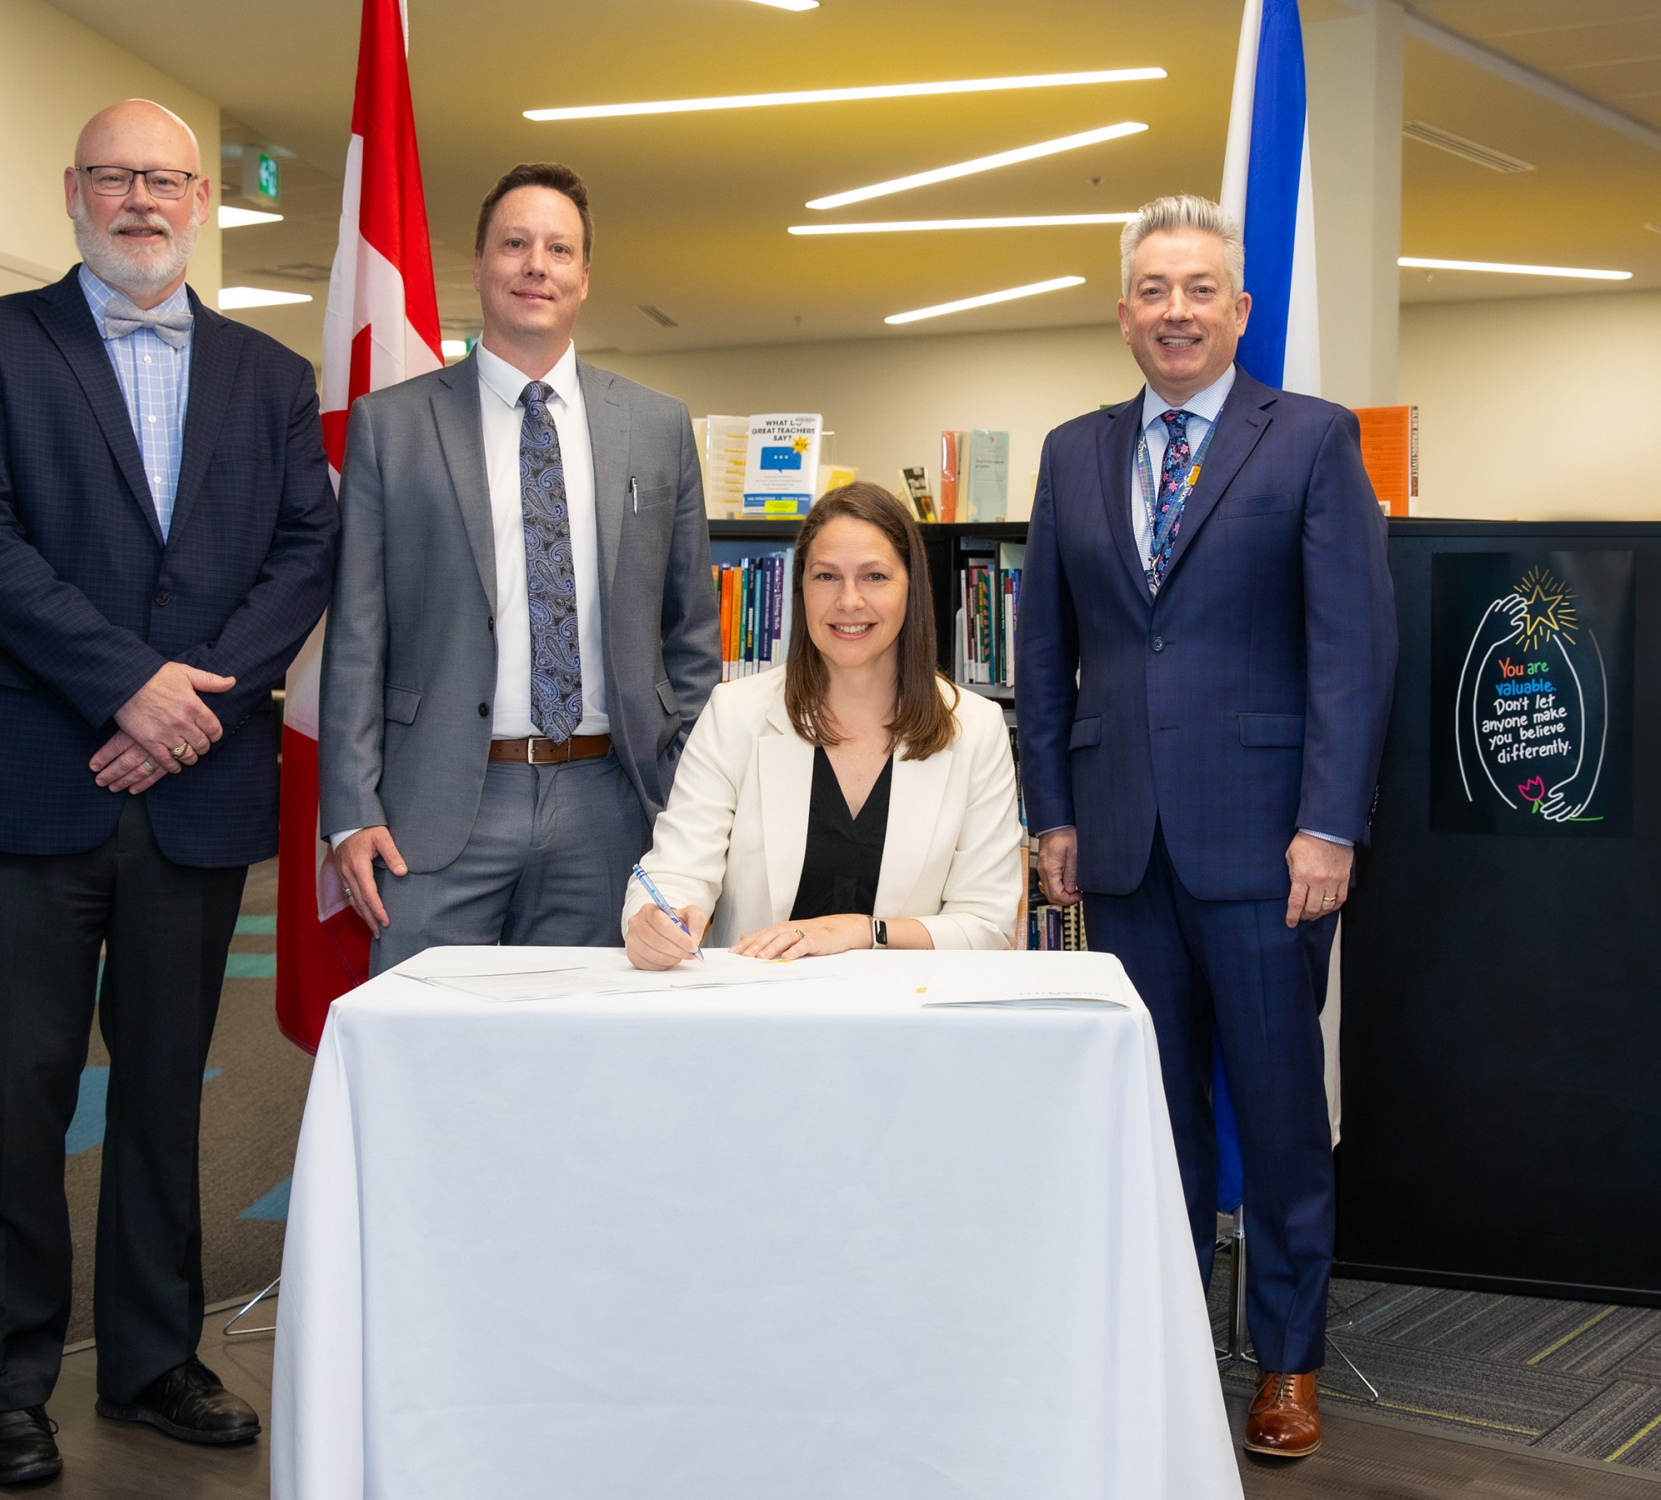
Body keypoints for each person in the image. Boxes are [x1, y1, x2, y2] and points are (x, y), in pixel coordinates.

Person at [0, 99, 337, 1485]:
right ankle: (7, 1382)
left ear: (203, 198)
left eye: (163, 178)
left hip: (194, 788)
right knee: (14, 1094)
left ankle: (152, 1360)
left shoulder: (269, 378)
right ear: (73, 191)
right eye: (114, 177)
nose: (140, 198)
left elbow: (305, 554)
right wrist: (125, 687)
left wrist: (184, 711)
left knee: (166, 1092)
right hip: (27, 787)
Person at [1015, 194, 1396, 1459]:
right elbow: (1044, 650)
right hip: (1117, 844)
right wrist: (1051, 814)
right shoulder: (1071, 453)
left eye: (1198, 291)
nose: (1174, 312)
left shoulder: (1308, 442)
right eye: (1151, 290)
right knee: (1152, 1115)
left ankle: (1286, 1363)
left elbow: (1352, 650)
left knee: (1281, 1116)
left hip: (1267, 850)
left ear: (1239, 311)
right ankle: (1171, 1345)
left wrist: (1328, 826)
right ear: (1121, 311)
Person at [322, 162, 720, 969]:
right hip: (436, 804)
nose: (536, 265)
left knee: (589, 1060)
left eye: (559, 249)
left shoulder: (657, 425)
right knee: (426, 1054)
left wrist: (686, 796)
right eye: (515, 244)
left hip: (610, 803)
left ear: (583, 276)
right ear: (478, 266)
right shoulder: (391, 427)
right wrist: (350, 806)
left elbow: (692, 637)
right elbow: (357, 635)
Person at [625, 483, 1021, 967]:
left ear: (911, 588)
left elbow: (987, 926)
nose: (849, 601)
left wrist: (860, 931)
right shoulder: (735, 713)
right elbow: (677, 871)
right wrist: (653, 921)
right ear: (801, 589)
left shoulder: (976, 729)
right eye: (826, 576)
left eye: (875, 576)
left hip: (907, 1016)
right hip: (755, 1007)